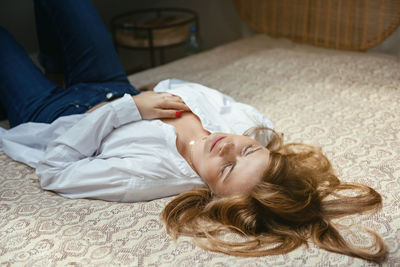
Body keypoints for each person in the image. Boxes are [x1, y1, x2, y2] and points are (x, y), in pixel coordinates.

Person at [0, 0, 386, 262]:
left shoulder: (149, 177)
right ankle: (54, 55)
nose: (227, 149)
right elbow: (184, 87)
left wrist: (127, 110)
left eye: (227, 169)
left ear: (217, 196)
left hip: (53, 115)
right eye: (247, 152)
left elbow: (55, 170)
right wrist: (132, 97)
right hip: (112, 81)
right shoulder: (255, 128)